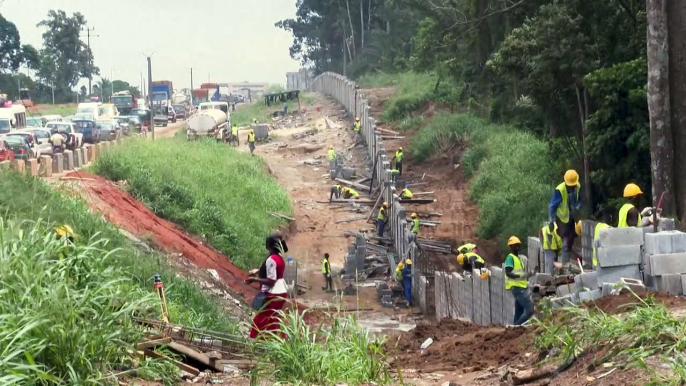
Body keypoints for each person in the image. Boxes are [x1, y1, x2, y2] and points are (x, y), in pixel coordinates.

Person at [246, 234, 289, 339]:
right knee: (273, 320)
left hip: (272, 294)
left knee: (261, 319)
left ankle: (254, 342)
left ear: (268, 246)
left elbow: (271, 281)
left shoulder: (271, 259)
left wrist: (254, 279)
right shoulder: (279, 257)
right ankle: (277, 342)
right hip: (281, 291)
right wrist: (259, 271)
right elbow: (274, 272)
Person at [548, 169, 582, 264]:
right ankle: (565, 263)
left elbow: (580, 200)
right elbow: (552, 206)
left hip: (572, 217)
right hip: (562, 219)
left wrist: (577, 208)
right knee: (566, 240)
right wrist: (551, 220)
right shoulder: (559, 190)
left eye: (573, 186)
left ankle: (570, 255)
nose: (572, 188)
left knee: (572, 237)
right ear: (566, 183)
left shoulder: (578, 187)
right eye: (570, 186)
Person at [504, 236, 534, 326]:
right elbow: (508, 272)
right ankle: (515, 327)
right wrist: (519, 276)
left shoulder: (518, 258)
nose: (517, 247)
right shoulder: (510, 258)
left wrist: (528, 275)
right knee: (530, 310)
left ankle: (513, 330)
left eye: (518, 245)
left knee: (519, 312)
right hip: (517, 288)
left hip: (521, 286)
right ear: (511, 247)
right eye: (515, 245)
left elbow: (520, 274)